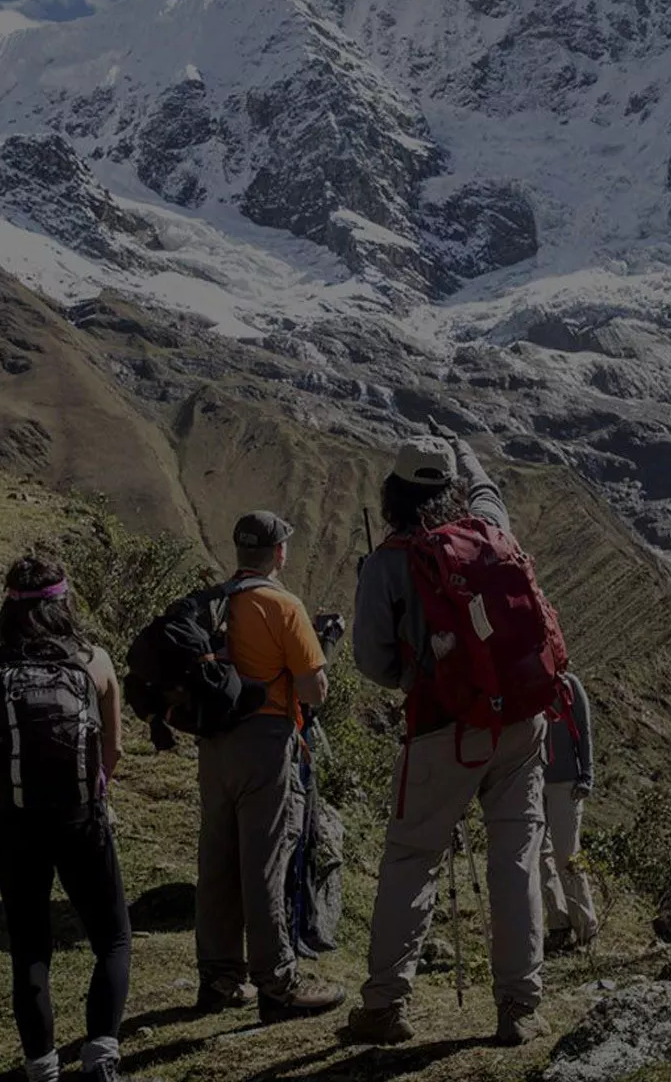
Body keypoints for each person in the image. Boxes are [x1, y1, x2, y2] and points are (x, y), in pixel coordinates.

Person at [344, 431, 550, 1047]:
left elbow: (371, 662)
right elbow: (485, 487)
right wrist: (463, 448)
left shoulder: (385, 563)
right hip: (518, 722)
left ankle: (385, 1005)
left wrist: (418, 671)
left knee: (412, 858)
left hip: (441, 730)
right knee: (515, 855)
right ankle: (518, 1005)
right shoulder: (488, 526)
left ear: (393, 495)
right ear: (454, 488)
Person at [0, 556, 132, 1082]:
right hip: (81, 819)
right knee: (112, 939)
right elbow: (115, 751)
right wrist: (90, 792)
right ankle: (101, 1055)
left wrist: (4, 798)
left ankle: (42, 1068)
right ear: (65, 605)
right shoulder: (95, 662)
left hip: (15, 822)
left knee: (30, 947)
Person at [193, 511, 346, 1023]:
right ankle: (277, 985)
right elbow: (312, 689)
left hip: (214, 745)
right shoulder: (283, 605)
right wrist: (321, 652)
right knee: (265, 863)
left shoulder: (215, 603)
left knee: (217, 859)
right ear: (280, 553)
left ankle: (218, 977)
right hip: (266, 739)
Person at [541, 672, 597, 953]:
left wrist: (586, 776)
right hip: (534, 783)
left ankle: (586, 928)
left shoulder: (569, 684)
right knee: (541, 858)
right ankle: (559, 925)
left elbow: (584, 731)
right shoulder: (523, 682)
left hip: (567, 784)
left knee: (568, 855)